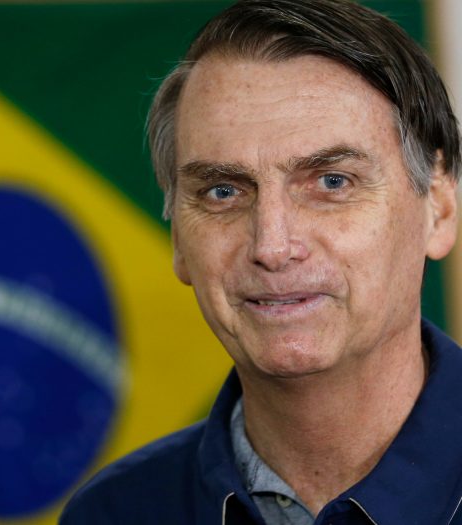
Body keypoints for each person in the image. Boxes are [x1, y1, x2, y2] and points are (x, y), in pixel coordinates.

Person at [59, 0, 462, 523]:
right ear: (178, 238)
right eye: (223, 191)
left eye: (332, 182)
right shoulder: (114, 513)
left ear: (440, 207)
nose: (271, 246)